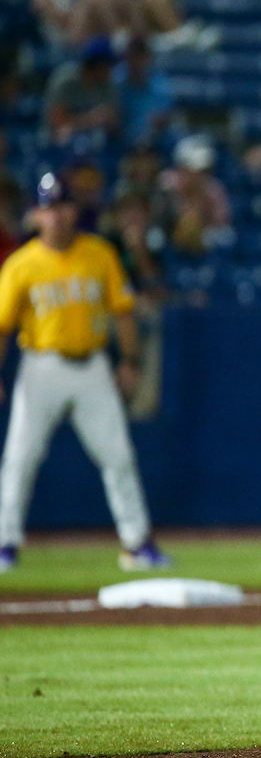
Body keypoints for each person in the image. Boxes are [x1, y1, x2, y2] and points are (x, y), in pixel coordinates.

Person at [0, 173, 169, 573]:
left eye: (62, 206)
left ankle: (137, 544)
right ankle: (5, 545)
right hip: (41, 367)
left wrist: (128, 361)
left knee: (118, 456)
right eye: (48, 208)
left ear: (73, 211)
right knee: (20, 458)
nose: (56, 216)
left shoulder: (99, 253)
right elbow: (3, 327)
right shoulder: (21, 264)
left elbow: (122, 312)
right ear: (37, 215)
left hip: (93, 367)